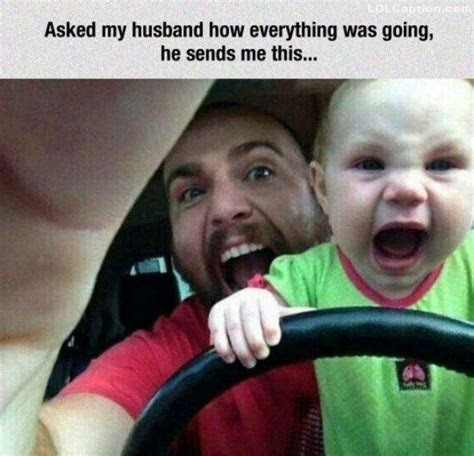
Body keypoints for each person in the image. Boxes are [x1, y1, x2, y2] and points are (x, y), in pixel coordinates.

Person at [36, 103, 330, 454]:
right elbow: (64, 439)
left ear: (323, 194)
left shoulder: (392, 292)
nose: (225, 209)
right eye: (192, 193)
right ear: (174, 250)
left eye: (260, 172)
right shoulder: (172, 352)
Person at [209, 79, 474, 455]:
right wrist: (247, 310)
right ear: (322, 190)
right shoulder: (307, 274)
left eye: (441, 165)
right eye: (370, 165)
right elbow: (259, 305)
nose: (407, 189)